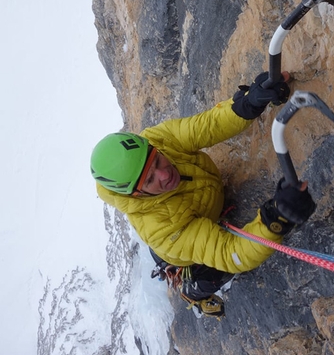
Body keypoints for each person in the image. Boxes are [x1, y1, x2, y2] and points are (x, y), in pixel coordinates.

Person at [91, 72, 316, 317]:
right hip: (181, 245)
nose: (164, 175)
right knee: (215, 271)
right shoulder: (163, 231)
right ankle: (194, 291)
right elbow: (233, 254)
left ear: (151, 147)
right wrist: (276, 220)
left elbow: (208, 126)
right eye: (150, 180)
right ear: (135, 194)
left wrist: (248, 103)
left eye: (157, 161)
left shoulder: (157, 139)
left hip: (198, 209)